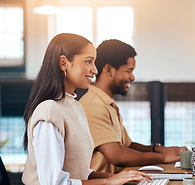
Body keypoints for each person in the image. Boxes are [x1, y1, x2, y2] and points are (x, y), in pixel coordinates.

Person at [15, 34, 151, 185]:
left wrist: (117, 178)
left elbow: (76, 170)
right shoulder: (49, 111)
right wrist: (107, 183)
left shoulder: (74, 106)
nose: (95, 70)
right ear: (64, 63)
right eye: (88, 61)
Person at [79, 39, 184, 174]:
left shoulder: (106, 103)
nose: (132, 77)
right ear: (109, 70)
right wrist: (162, 157)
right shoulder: (93, 105)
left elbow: (128, 146)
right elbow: (118, 156)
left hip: (113, 184)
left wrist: (159, 149)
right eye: (129, 71)